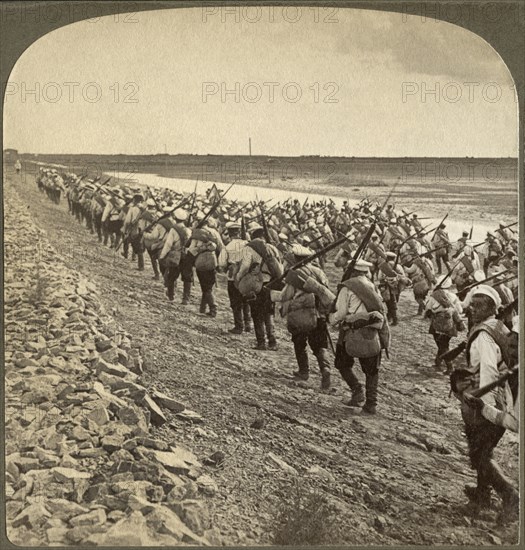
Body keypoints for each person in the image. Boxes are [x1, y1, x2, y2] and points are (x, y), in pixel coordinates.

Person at [451, 286, 519, 521]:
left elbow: (489, 370)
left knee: (480, 455)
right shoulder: (498, 325)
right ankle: (482, 493)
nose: (474, 309)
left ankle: (510, 494)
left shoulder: (482, 334)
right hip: (498, 395)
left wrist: (484, 407)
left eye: (480, 306)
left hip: (487, 399)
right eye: (473, 305)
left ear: (492, 308)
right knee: (483, 450)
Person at [330, 259, 389, 415]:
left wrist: (332, 319)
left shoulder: (347, 287)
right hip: (371, 332)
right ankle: (371, 404)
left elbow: (342, 313)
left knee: (342, 364)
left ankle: (357, 391)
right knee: (371, 371)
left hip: (350, 330)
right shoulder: (372, 286)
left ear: (352, 271)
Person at [272, 244, 334, 389]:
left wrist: (271, 295)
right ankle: (326, 370)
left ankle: (303, 371)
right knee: (320, 345)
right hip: (319, 314)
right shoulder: (319, 272)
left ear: (295, 258)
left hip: (301, 314)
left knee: (299, 343)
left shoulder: (294, 275)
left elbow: (285, 295)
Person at [236, 225, 282, 350]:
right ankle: (272, 342)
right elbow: (280, 268)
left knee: (257, 314)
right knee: (269, 313)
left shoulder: (250, 248)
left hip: (257, 284)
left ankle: (261, 342)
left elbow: (245, 267)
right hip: (270, 284)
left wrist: (239, 278)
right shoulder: (272, 248)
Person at [424, 275, 464, 374]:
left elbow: (428, 308)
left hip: (438, 323)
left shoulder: (434, 295)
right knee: (444, 343)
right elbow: (459, 310)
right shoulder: (453, 296)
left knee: (442, 345)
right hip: (450, 325)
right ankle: (438, 360)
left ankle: (450, 366)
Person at [221, 222, 251, 334]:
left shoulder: (228, 246)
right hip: (246, 276)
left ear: (229, 233)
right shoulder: (248, 244)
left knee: (236, 303)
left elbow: (222, 263)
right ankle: (248, 324)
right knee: (246, 301)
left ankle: (239, 326)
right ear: (239, 232)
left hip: (233, 277)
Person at [122, 192, 146, 271]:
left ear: (135, 200)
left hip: (134, 229)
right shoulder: (144, 209)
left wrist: (125, 229)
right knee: (139, 247)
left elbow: (127, 221)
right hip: (142, 230)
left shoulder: (132, 208)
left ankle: (126, 253)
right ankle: (140, 264)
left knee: (127, 240)